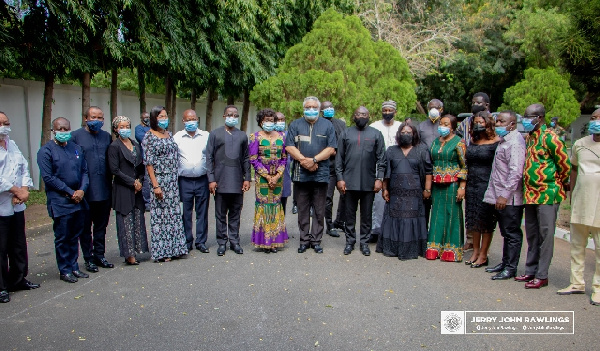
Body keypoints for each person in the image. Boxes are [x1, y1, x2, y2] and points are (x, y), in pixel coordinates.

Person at [515, 103, 570, 289]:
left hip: (548, 193)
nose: (525, 120)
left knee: (546, 235)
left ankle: (542, 275)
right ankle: (530, 270)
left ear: (539, 118)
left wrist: (558, 183)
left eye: (528, 117)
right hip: (530, 194)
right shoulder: (530, 137)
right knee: (532, 234)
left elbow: (564, 165)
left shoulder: (551, 138)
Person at [37, 117, 90, 283]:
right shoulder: (46, 151)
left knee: (75, 234)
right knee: (63, 236)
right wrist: (69, 192)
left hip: (78, 199)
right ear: (53, 130)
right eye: (60, 129)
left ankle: (74, 266)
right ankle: (64, 269)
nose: (63, 132)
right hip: (60, 201)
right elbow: (48, 177)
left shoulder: (76, 148)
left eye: (66, 129)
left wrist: (81, 190)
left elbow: (84, 172)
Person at [557, 109, 600, 304]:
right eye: (593, 118)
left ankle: (598, 288)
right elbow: (574, 169)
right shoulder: (580, 144)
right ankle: (576, 283)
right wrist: (571, 193)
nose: (595, 121)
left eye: (599, 118)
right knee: (577, 245)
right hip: (581, 200)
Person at [286, 96, 336, 254]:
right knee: (302, 209)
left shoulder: (327, 125)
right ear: (303, 108)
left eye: (314, 107)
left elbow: (331, 148)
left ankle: (316, 240)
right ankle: (304, 240)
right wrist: (304, 161)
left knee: (320, 209)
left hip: (321, 174)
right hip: (301, 174)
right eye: (308, 107)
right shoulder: (295, 124)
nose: (311, 110)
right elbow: (289, 146)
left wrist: (314, 160)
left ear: (319, 109)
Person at [376, 123, 432, 260]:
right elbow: (386, 169)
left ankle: (411, 249)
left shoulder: (422, 150)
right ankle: (392, 248)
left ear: (414, 134)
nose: (405, 134)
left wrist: (427, 189)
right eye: (403, 131)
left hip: (414, 193)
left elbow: (429, 171)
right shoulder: (391, 150)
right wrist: (385, 189)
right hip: (395, 193)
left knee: (411, 218)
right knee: (395, 218)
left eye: (409, 132)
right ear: (399, 134)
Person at [0, 111, 39, 303]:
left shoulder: (12, 144)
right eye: (1, 123)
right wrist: (15, 190)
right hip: (2, 203)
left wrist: (24, 189)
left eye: (6, 122)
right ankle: (1, 286)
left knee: (17, 244)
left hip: (16, 204)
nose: (5, 126)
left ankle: (18, 278)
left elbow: (23, 166)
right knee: (1, 246)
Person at [336, 106, 386, 256]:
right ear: (353, 116)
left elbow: (381, 159)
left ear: (369, 116)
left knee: (366, 215)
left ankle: (364, 243)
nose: (361, 116)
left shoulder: (376, 134)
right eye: (358, 114)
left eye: (364, 114)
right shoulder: (346, 133)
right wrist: (340, 178)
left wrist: (380, 178)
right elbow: (339, 159)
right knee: (349, 215)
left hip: (369, 183)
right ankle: (350, 242)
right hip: (349, 182)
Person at [483, 111, 526, 280]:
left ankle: (511, 267)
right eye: (497, 121)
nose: (498, 124)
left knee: (512, 233)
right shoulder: (504, 141)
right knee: (505, 232)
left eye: (501, 121)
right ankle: (505, 262)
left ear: (512, 124)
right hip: (500, 195)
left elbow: (516, 173)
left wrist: (504, 195)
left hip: (510, 199)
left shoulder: (515, 143)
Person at [71, 106, 114, 272]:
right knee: (85, 227)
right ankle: (88, 258)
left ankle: (99, 255)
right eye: (93, 117)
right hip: (86, 191)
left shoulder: (106, 137)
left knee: (101, 226)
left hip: (104, 188)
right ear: (86, 119)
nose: (96, 120)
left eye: (100, 118)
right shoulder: (76, 136)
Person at [142, 106, 188, 262]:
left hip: (172, 182)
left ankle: (176, 248)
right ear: (154, 118)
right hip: (160, 181)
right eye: (160, 116)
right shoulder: (149, 137)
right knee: (161, 217)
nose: (164, 119)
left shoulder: (168, 134)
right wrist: (155, 185)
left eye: (165, 116)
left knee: (174, 215)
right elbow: (149, 164)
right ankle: (163, 252)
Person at [206, 105, 251, 256]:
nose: (232, 117)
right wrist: (211, 179)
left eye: (235, 115)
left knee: (235, 213)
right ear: (224, 116)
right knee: (220, 214)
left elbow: (246, 158)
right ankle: (221, 243)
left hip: (237, 181)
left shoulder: (242, 135)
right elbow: (209, 157)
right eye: (229, 114)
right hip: (220, 181)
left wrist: (247, 178)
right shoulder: (215, 134)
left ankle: (234, 242)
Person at [107, 116, 149, 265]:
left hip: (137, 188)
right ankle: (128, 254)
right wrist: (132, 183)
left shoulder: (136, 144)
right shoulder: (114, 146)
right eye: (121, 126)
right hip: (123, 188)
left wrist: (140, 181)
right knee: (125, 222)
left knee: (137, 219)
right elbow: (115, 170)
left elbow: (141, 166)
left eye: (127, 126)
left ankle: (138, 250)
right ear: (116, 129)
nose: (125, 129)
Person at [425, 114, 467, 262]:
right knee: (437, 215)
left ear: (453, 127)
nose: (443, 126)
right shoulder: (436, 142)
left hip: (453, 184)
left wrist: (462, 187)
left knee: (452, 215)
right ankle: (435, 248)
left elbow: (464, 166)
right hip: (437, 184)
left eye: (446, 124)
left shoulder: (459, 142)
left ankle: (451, 250)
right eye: (441, 123)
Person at [464, 111, 501, 268]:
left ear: (488, 124)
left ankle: (484, 254)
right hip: (472, 183)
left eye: (481, 122)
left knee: (485, 221)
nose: (478, 125)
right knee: (473, 220)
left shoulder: (496, 141)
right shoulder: (473, 140)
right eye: (476, 122)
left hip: (487, 184)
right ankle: (475, 251)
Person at [249, 108, 289, 253]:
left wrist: (277, 175)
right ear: (261, 122)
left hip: (278, 178)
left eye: (272, 120)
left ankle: (275, 241)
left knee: (275, 205)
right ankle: (265, 241)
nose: (269, 123)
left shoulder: (281, 137)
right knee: (264, 206)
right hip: (262, 179)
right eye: (266, 120)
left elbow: (284, 158)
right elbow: (253, 159)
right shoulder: (255, 137)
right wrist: (267, 176)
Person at [174, 109, 210, 253]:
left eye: (193, 119)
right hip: (184, 181)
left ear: (197, 119)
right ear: (183, 121)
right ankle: (187, 241)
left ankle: (201, 241)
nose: (191, 122)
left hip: (202, 180)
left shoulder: (206, 136)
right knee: (185, 213)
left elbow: (211, 157)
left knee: (202, 212)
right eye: (188, 119)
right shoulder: (177, 137)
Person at [369, 100, 402, 242]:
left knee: (396, 198)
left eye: (390, 110)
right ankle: (376, 230)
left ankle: (394, 230)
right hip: (378, 166)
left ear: (395, 112)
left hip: (398, 167)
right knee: (378, 201)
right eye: (385, 110)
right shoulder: (374, 126)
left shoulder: (401, 127)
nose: (387, 113)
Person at [417, 99, 444, 229]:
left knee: (439, 205)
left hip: (442, 169)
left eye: (437, 107)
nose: (434, 110)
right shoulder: (420, 126)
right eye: (431, 107)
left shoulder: (445, 126)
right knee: (424, 203)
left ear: (441, 110)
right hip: (424, 169)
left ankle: (436, 235)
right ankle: (423, 233)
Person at [321, 101, 347, 237]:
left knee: (345, 194)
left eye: (331, 107)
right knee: (328, 197)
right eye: (326, 108)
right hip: (328, 167)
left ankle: (340, 221)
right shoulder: (319, 124)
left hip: (342, 166)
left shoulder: (341, 124)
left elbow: (345, 142)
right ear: (321, 111)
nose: (329, 109)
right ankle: (329, 225)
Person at [275, 112, 292, 214]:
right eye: (278, 120)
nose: (280, 122)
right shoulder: (264, 135)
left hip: (284, 174)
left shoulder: (288, 135)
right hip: (268, 174)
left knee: (282, 203)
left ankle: (280, 228)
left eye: (282, 120)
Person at [135, 112, 152, 208]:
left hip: (154, 158)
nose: (147, 119)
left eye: (148, 117)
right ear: (141, 118)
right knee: (146, 179)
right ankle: (146, 202)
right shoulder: (138, 128)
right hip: (144, 157)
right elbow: (144, 140)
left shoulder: (152, 127)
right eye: (145, 117)